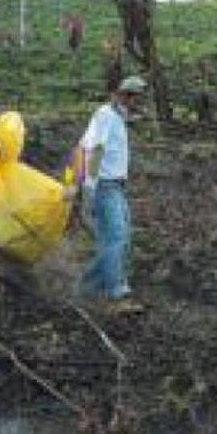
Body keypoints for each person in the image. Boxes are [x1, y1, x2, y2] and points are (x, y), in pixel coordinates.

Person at [78, 75, 147, 314]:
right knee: (116, 236)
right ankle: (117, 293)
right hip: (105, 186)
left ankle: (86, 289)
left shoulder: (117, 117)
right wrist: (88, 186)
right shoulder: (106, 116)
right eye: (137, 98)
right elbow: (94, 149)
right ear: (125, 96)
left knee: (120, 238)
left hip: (115, 186)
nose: (140, 103)